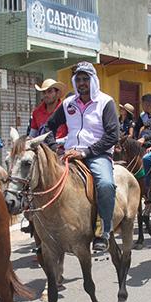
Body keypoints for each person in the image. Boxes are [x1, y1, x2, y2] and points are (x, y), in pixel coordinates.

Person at [38, 61, 119, 255]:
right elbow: (47, 127)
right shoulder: (68, 103)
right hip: (68, 153)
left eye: (86, 79)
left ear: (93, 81)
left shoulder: (105, 102)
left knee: (106, 185)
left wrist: (85, 152)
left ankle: (104, 231)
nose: (82, 83)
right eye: (79, 79)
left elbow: (112, 135)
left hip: (97, 155)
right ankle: (43, 231)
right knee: (40, 180)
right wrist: (53, 150)